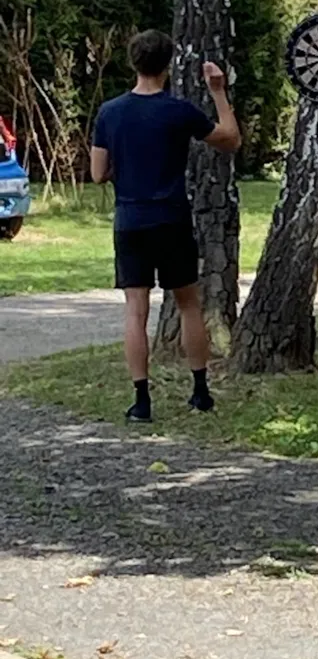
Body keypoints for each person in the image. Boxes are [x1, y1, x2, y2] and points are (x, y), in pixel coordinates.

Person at [91, 29, 241, 423]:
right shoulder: (178, 111)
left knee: (135, 309)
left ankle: (141, 399)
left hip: (131, 219)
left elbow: (96, 173)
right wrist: (219, 91)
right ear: (168, 65)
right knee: (188, 305)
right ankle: (200, 390)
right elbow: (230, 140)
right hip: (172, 217)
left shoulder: (110, 112)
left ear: (133, 62)